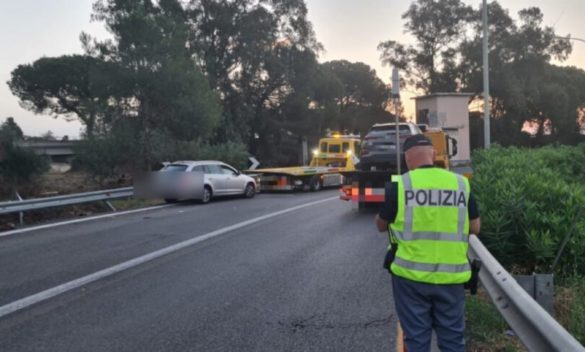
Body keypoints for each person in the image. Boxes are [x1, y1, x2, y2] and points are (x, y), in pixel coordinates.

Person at [375, 134, 481, 352]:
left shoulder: (401, 185)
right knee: (452, 340)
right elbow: (475, 228)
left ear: (407, 158)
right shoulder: (461, 184)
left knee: (416, 340)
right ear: (433, 154)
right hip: (451, 278)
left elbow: (381, 225)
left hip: (410, 278)